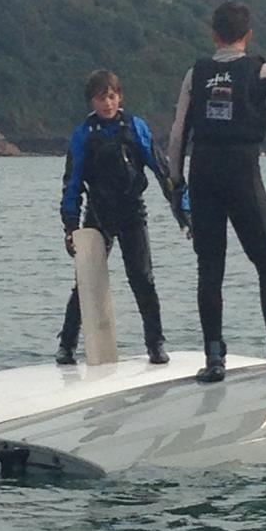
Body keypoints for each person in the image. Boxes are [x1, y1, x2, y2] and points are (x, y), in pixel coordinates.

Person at [168, 1, 266, 384]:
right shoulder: (261, 70)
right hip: (241, 172)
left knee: (210, 268)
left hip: (202, 171)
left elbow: (177, 135)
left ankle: (214, 359)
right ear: (248, 35)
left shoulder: (196, 72)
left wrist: (176, 185)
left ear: (213, 34)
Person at [56, 69, 191, 365]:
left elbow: (162, 169)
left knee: (142, 278)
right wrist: (70, 227)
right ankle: (67, 345)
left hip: (131, 211)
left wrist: (182, 208)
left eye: (112, 96)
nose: (107, 104)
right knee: (85, 282)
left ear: (120, 97)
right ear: (91, 101)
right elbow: (73, 183)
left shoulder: (134, 127)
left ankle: (155, 342)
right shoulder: (83, 136)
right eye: (101, 98)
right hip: (98, 215)